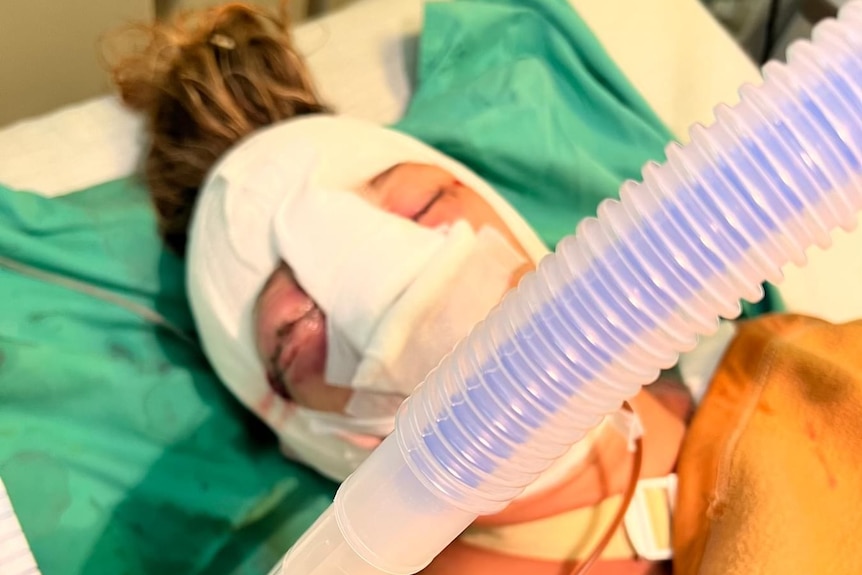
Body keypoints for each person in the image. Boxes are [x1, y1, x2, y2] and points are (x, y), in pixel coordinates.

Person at [109, 3, 688, 573]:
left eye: (421, 205)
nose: (392, 280)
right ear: (302, 435)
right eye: (295, 329)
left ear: (503, 210)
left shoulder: (746, 365)